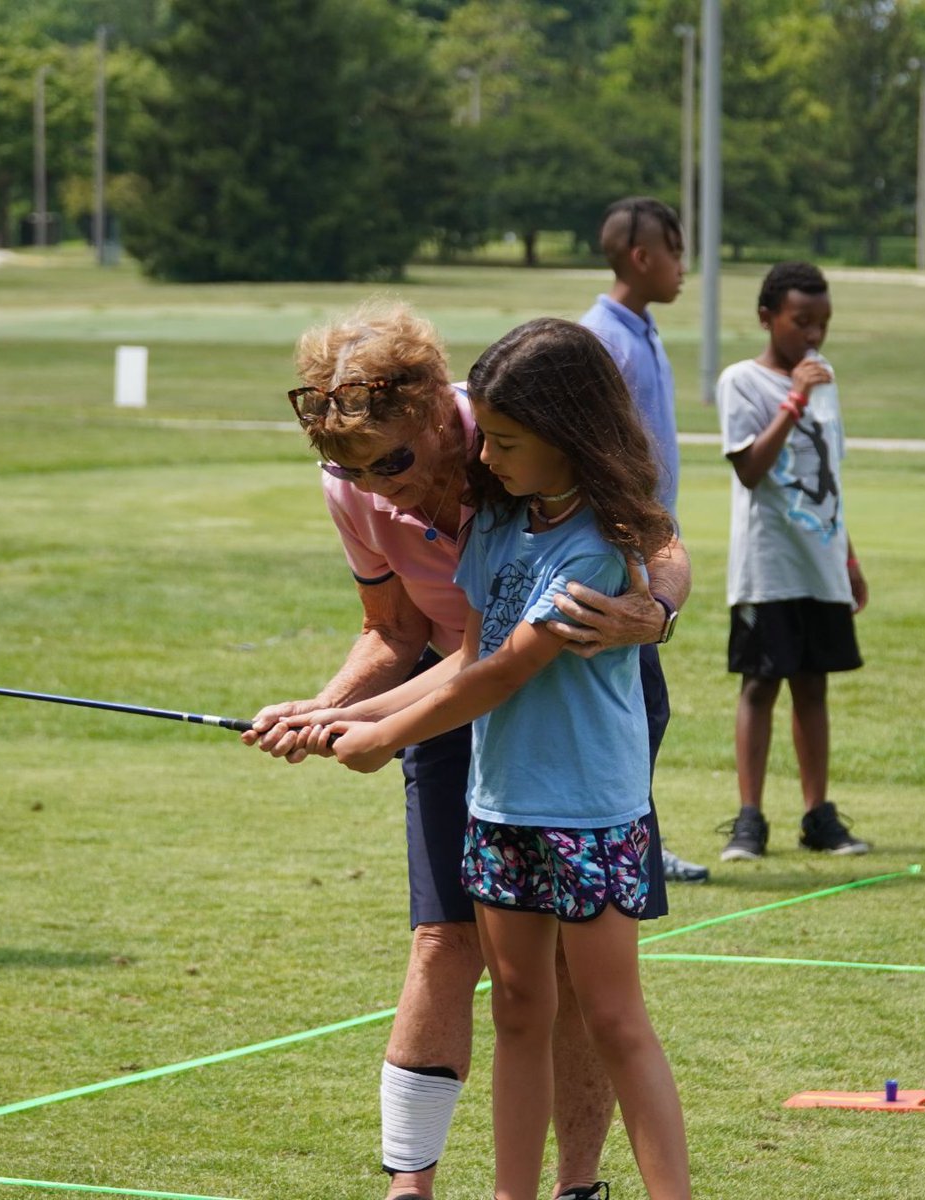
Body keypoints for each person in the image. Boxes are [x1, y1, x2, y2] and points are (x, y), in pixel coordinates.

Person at [243, 300, 692, 1200]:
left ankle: (580, 1186)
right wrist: (330, 712)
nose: (376, 486)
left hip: (579, 755)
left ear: (436, 417)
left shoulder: (517, 419)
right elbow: (416, 637)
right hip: (478, 753)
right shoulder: (425, 503)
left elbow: (507, 660)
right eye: (347, 467)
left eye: (391, 460)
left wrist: (656, 610)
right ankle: (419, 1185)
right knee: (453, 948)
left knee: (591, 989)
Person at [716, 261, 870, 861]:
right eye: (801, 321)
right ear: (767, 318)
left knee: (814, 685)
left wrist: (848, 556)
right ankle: (749, 821)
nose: (814, 335)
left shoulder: (826, 381)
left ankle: (818, 816)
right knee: (761, 683)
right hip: (769, 563)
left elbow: (829, 477)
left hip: (821, 561)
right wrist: (796, 396)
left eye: (823, 323)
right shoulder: (742, 382)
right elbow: (751, 470)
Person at [579, 196, 709, 885]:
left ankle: (635, 840)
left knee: (645, 707)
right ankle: (631, 845)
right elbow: (595, 453)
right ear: (642, 256)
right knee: (639, 707)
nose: (684, 268)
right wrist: (632, 556)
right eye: (678, 252)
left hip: (653, 553)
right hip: (620, 558)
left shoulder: (643, 330)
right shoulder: (602, 338)